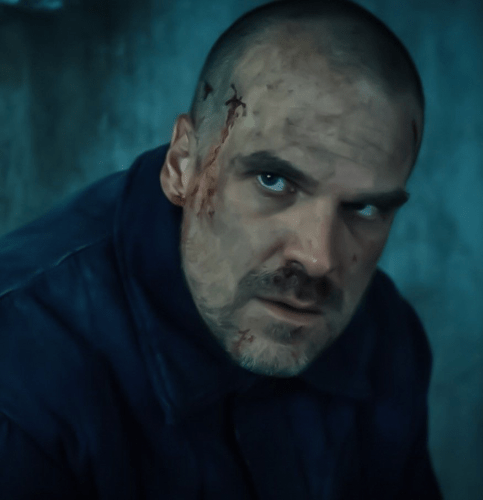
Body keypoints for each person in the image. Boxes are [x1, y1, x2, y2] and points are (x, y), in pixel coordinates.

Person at [0, 0, 443, 498]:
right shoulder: (20, 365)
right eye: (273, 180)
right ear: (182, 165)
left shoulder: (385, 335)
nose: (319, 258)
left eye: (364, 208)